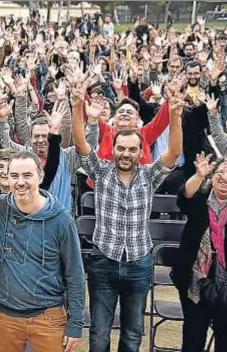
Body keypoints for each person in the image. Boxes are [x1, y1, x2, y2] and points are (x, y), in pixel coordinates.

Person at [71, 70, 183, 352]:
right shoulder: (102, 171)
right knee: (98, 333)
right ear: (114, 148)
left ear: (140, 150)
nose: (126, 153)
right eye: (121, 148)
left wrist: (176, 114)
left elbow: (173, 151)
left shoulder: (150, 175)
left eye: (132, 149)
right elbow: (82, 144)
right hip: (103, 260)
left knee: (133, 334)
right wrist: (76, 107)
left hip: (138, 262)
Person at [0, 151, 85, 352]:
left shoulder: (61, 220)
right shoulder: (0, 207)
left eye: (27, 175)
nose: (20, 182)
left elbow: (75, 275)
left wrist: (75, 325)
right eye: (14, 176)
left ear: (40, 176)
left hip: (47, 318)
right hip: (4, 316)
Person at [172, 154, 227, 352]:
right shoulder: (201, 198)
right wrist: (198, 176)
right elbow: (184, 198)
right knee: (193, 334)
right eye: (219, 174)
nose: (224, 179)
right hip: (195, 277)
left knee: (226, 334)